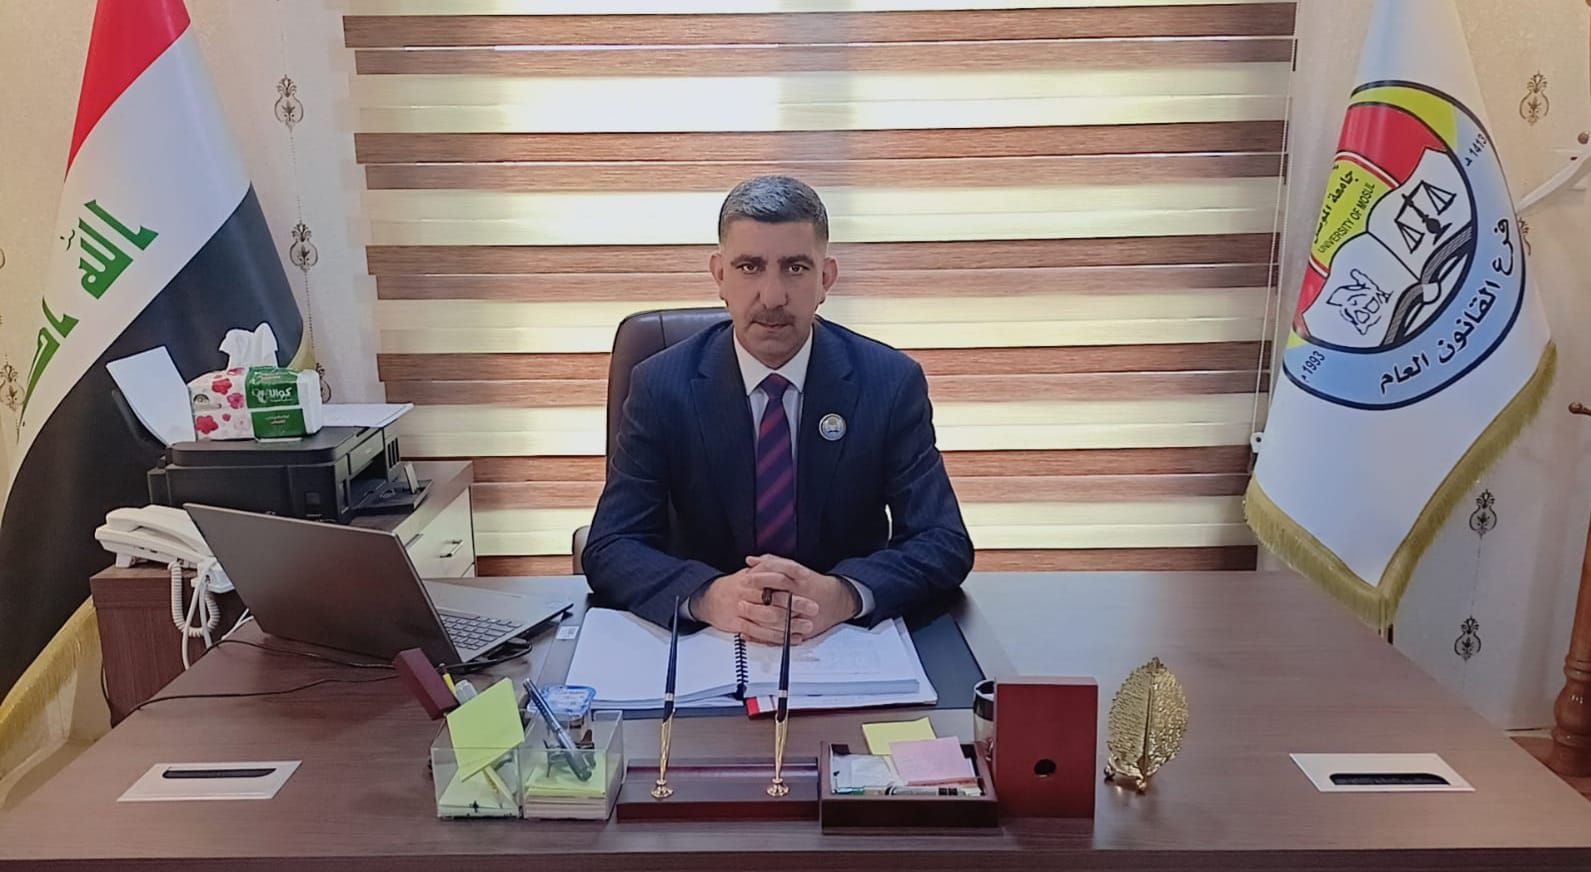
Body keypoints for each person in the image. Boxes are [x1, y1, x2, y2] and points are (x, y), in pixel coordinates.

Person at [582, 175, 973, 644]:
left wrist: (844, 594)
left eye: (795, 268)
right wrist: (707, 596)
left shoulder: (888, 383)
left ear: (825, 279)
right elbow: (611, 545)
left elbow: (943, 541)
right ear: (720, 275)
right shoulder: (661, 386)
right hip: (709, 646)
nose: (772, 296)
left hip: (841, 643)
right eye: (749, 267)